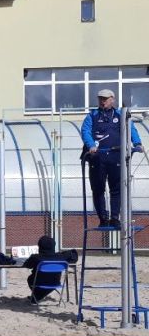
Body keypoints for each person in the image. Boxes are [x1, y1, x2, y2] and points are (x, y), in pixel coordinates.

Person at [81, 89, 144, 229]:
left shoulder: (120, 114)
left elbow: (131, 129)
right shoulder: (92, 115)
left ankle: (115, 218)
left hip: (116, 156)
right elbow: (85, 131)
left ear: (112, 99)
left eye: (105, 99)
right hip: (97, 158)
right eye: (100, 99)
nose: (102, 101)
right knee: (98, 189)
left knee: (116, 188)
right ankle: (103, 218)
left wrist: (137, 143)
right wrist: (91, 145)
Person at [23, 235, 78, 303]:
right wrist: (63, 254)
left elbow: (27, 265)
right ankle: (37, 297)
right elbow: (74, 255)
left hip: (38, 282)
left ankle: (37, 297)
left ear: (40, 246)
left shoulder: (36, 257)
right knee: (45, 281)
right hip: (55, 283)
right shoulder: (61, 257)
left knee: (30, 279)